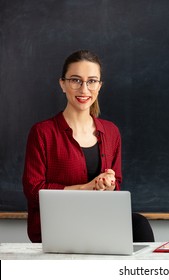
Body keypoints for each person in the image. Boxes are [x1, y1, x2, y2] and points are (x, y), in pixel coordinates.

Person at [23, 50, 154, 243]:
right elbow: (34, 191)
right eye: (76, 80)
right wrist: (86, 188)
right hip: (57, 227)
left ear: (99, 86)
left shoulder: (111, 132)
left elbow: (116, 186)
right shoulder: (42, 132)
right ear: (63, 84)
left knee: (139, 224)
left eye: (92, 81)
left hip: (100, 221)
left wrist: (108, 185)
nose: (84, 89)